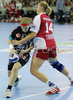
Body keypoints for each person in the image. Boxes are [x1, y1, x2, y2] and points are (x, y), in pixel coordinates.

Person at [12, 1, 73, 95]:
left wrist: (19, 41)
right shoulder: (48, 18)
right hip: (52, 43)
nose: (36, 9)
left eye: (37, 7)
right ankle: (71, 79)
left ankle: (53, 86)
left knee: (33, 70)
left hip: (43, 46)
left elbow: (34, 34)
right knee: (55, 63)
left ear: (41, 8)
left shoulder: (38, 17)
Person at [5, 17, 33, 98]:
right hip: (15, 53)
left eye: (26, 27)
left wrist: (26, 50)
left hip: (25, 53)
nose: (24, 29)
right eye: (23, 27)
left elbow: (34, 44)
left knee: (15, 68)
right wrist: (12, 49)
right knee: (10, 75)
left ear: (29, 25)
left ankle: (8, 90)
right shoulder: (16, 30)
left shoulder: (32, 32)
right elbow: (9, 39)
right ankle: (16, 79)